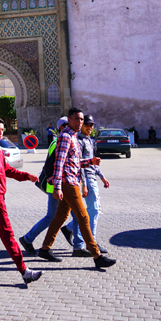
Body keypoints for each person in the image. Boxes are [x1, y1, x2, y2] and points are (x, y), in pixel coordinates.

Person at [37, 108, 116, 269]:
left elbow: (74, 163)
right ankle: (96, 255)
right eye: (77, 119)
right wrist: (57, 187)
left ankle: (45, 249)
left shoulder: (73, 136)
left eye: (81, 119)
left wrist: (90, 162)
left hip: (73, 181)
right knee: (83, 216)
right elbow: (58, 163)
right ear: (70, 121)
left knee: (60, 217)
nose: (80, 122)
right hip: (67, 183)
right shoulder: (66, 136)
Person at [0, 116, 44, 285]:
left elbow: (8, 170)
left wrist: (27, 176)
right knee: (7, 234)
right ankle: (24, 271)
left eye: (3, 129)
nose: (1, 132)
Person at [19, 117, 73, 255]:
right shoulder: (57, 142)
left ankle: (76, 238)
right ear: (62, 127)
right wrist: (56, 185)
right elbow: (50, 165)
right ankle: (28, 238)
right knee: (52, 216)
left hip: (62, 185)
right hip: (55, 186)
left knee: (76, 214)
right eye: (68, 125)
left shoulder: (64, 140)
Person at [69, 115, 111, 257]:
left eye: (92, 125)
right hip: (86, 179)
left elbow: (93, 163)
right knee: (93, 210)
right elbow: (79, 164)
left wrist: (103, 177)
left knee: (91, 211)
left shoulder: (89, 140)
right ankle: (89, 242)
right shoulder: (79, 140)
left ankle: (75, 234)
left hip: (92, 177)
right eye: (88, 124)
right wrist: (84, 185)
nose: (90, 127)